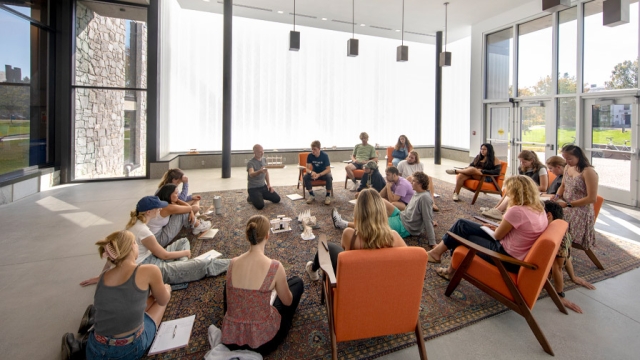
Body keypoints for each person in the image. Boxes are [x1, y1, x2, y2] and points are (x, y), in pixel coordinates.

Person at [79, 196, 230, 287]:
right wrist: (186, 253)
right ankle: (234, 263)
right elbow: (163, 255)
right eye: (158, 209)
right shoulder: (142, 230)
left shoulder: (133, 225)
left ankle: (181, 268)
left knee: (183, 240)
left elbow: (116, 253)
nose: (160, 211)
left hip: (152, 258)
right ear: (149, 212)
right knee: (203, 264)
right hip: (149, 266)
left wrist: (102, 275)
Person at [427, 175, 548, 279]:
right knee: (461, 224)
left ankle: (447, 268)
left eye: (509, 191)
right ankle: (438, 255)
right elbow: (518, 232)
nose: (507, 194)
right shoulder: (539, 209)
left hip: (505, 256)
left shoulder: (517, 210)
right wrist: (496, 228)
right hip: (515, 253)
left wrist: (495, 230)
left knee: (461, 236)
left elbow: (498, 236)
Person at [82, 230, 171, 360]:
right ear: (132, 245)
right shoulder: (150, 270)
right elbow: (163, 300)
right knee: (160, 301)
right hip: (126, 350)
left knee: (139, 302)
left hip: (94, 348)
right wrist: (167, 289)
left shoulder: (103, 277)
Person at [221, 215, 303, 355]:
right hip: (262, 343)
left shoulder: (233, 262)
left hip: (232, 339)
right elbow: (287, 302)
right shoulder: (275, 267)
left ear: (247, 236)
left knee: (227, 287)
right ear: (267, 236)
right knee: (297, 283)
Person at [305, 188, 407, 281]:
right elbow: (410, 260)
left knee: (326, 246)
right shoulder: (394, 237)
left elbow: (346, 264)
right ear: (382, 212)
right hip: (384, 285)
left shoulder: (349, 235)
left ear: (358, 212)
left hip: (355, 284)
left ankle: (313, 269)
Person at [332, 172, 436, 247]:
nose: (411, 183)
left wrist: (433, 242)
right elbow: (422, 214)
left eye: (413, 181)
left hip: (405, 226)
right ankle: (368, 198)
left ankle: (342, 223)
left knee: (374, 224)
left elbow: (427, 219)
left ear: (420, 184)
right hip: (402, 215)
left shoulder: (425, 198)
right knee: (381, 200)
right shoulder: (418, 192)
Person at [544, 201, 595, 314]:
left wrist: (559, 295)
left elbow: (557, 266)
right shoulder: (563, 227)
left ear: (548, 215)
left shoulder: (556, 236)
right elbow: (566, 257)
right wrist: (573, 277)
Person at [553, 144, 599, 250]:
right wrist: (557, 196)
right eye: (565, 158)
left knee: (554, 221)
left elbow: (592, 198)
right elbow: (563, 185)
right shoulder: (567, 167)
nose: (567, 161)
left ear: (579, 157)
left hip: (580, 210)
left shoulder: (588, 172)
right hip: (566, 205)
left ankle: (559, 248)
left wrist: (568, 204)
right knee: (548, 213)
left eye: (569, 158)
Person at [484, 150, 548, 217]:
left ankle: (499, 210)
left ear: (532, 160)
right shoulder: (522, 168)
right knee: (509, 189)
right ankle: (496, 209)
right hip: (525, 190)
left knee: (514, 191)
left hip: (535, 191)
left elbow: (543, 188)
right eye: (521, 161)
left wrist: (526, 187)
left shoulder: (541, 169)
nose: (522, 163)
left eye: (524, 162)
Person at [247, 144, 281, 210]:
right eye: (259, 151)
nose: (262, 153)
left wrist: (268, 185)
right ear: (254, 152)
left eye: (262, 151)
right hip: (253, 188)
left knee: (277, 199)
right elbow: (251, 174)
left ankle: (258, 196)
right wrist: (260, 171)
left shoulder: (264, 159)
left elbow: (266, 173)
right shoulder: (250, 163)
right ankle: (251, 197)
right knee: (260, 206)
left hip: (263, 186)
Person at [304, 140, 333, 205]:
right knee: (306, 177)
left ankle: (328, 195)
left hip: (322, 173)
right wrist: (311, 172)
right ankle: (311, 195)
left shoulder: (324, 156)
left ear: (319, 149)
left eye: (314, 149)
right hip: (314, 173)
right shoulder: (310, 156)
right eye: (312, 149)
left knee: (329, 176)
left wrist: (319, 175)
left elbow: (328, 169)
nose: (313, 151)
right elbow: (307, 169)